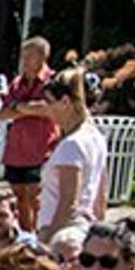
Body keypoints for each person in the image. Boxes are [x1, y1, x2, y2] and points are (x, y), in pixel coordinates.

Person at [0, 37, 60, 231]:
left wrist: (19, 107)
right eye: (23, 56)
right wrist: (29, 108)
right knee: (19, 198)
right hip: (17, 149)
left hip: (41, 148)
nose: (23, 61)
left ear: (42, 56)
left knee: (37, 197)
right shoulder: (17, 82)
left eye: (28, 56)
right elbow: (3, 113)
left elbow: (49, 109)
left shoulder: (53, 81)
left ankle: (42, 234)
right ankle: (27, 236)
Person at [38, 67, 107, 236]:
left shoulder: (71, 145)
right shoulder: (97, 137)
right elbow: (101, 197)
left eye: (50, 102)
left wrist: (48, 239)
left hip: (63, 231)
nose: (47, 109)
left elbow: (68, 202)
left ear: (65, 102)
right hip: (86, 227)